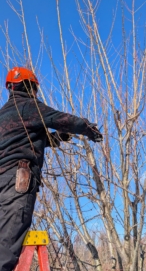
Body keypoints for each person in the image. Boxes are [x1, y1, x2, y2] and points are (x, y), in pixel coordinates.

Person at [0, 66, 103, 271]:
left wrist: (56, 138)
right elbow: (61, 119)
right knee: (7, 244)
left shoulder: (4, 115)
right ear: (31, 86)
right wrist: (87, 128)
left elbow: (28, 137)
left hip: (2, 180)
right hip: (17, 181)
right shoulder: (30, 106)